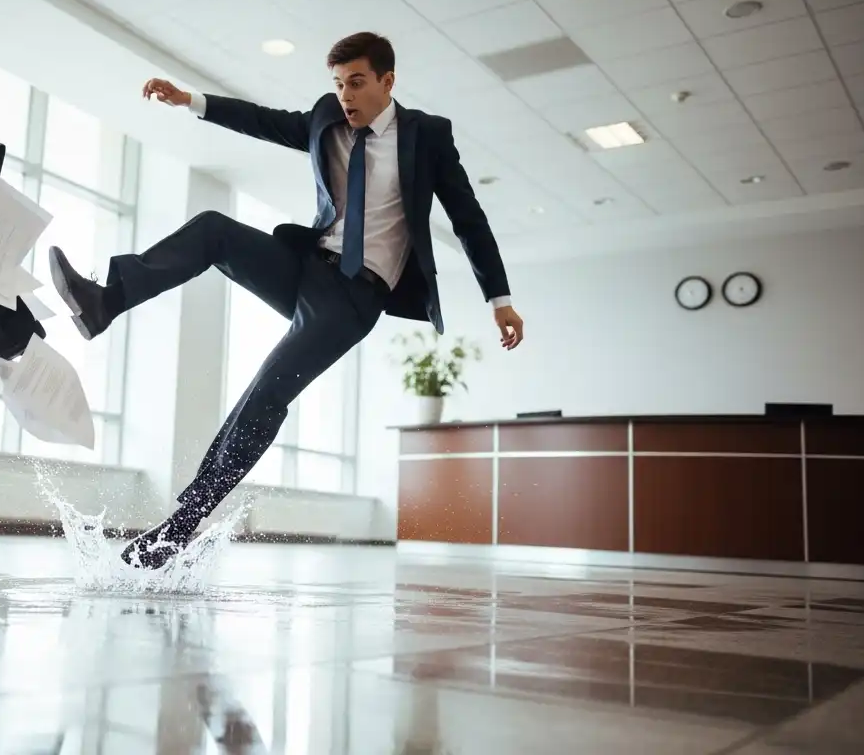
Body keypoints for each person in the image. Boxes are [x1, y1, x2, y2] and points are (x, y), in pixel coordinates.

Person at [46, 31, 524, 570]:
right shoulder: (327, 117)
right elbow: (265, 120)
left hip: (355, 297)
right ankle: (107, 299)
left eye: (358, 83)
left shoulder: (427, 137)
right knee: (214, 231)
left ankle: (179, 527)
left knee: (266, 392)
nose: (346, 95)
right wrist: (192, 101)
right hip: (306, 267)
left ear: (388, 81)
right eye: (340, 84)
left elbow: (468, 218)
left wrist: (498, 298)